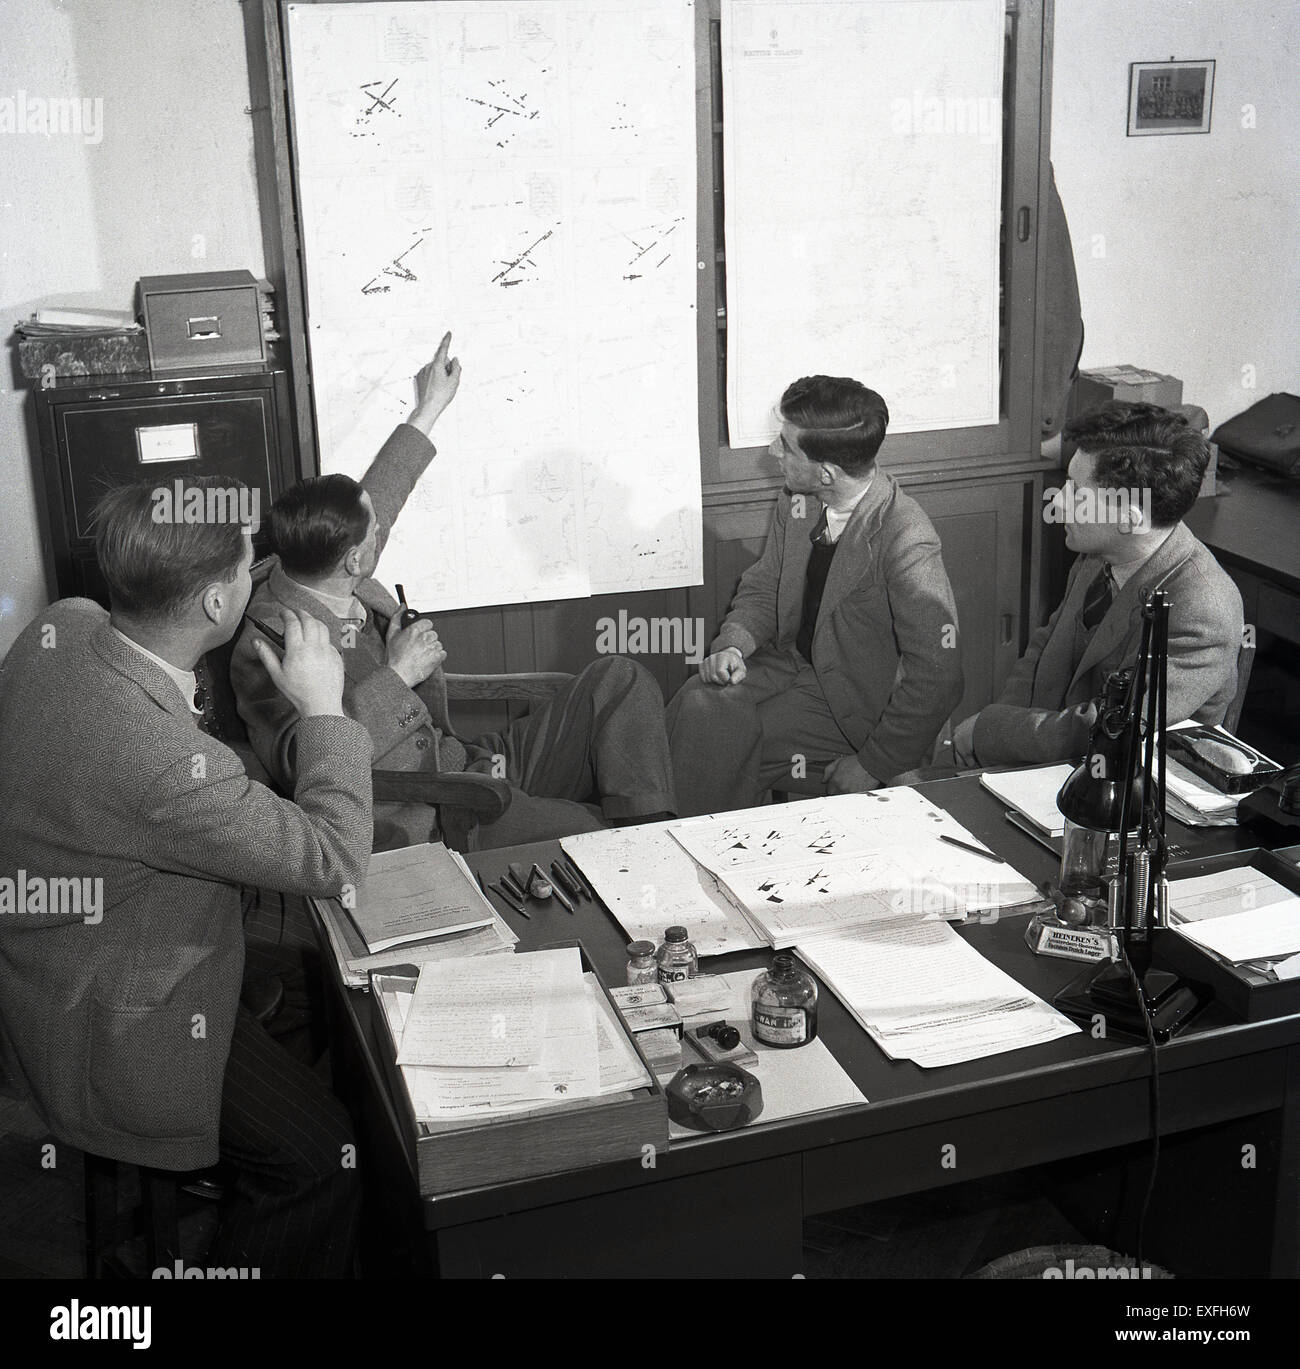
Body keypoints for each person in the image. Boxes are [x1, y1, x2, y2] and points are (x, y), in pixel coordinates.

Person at [0, 477, 373, 1277]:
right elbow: (335, 858)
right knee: (322, 1157)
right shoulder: (164, 765)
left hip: (46, 960)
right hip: (114, 1019)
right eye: (248, 561)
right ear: (213, 603)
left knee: (331, 983)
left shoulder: (65, 624)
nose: (261, 564)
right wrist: (326, 710)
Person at [230, 332, 676, 848]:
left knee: (619, 679)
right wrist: (400, 674)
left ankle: (647, 839)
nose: (383, 528)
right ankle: (641, 851)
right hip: (437, 805)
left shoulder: (318, 561)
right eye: (376, 530)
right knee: (596, 840)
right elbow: (302, 763)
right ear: (354, 557)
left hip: (467, 760)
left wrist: (430, 407)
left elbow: (381, 493)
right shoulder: (265, 640)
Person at [666, 374, 964, 815]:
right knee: (697, 700)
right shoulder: (799, 499)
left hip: (855, 708)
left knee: (714, 743)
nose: (772, 451)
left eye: (785, 445)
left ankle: (681, 846)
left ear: (826, 472)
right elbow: (765, 584)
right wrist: (733, 643)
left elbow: (938, 676)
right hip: (792, 668)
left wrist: (872, 763)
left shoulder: (906, 539)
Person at [953, 400, 1243, 769]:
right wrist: (996, 737)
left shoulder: (1204, 609)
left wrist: (990, 731)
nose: (1057, 501)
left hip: (1125, 789)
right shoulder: (1099, 555)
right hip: (1048, 765)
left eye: (1077, 490)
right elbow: (1043, 651)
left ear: (1129, 519)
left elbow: (1111, 725)